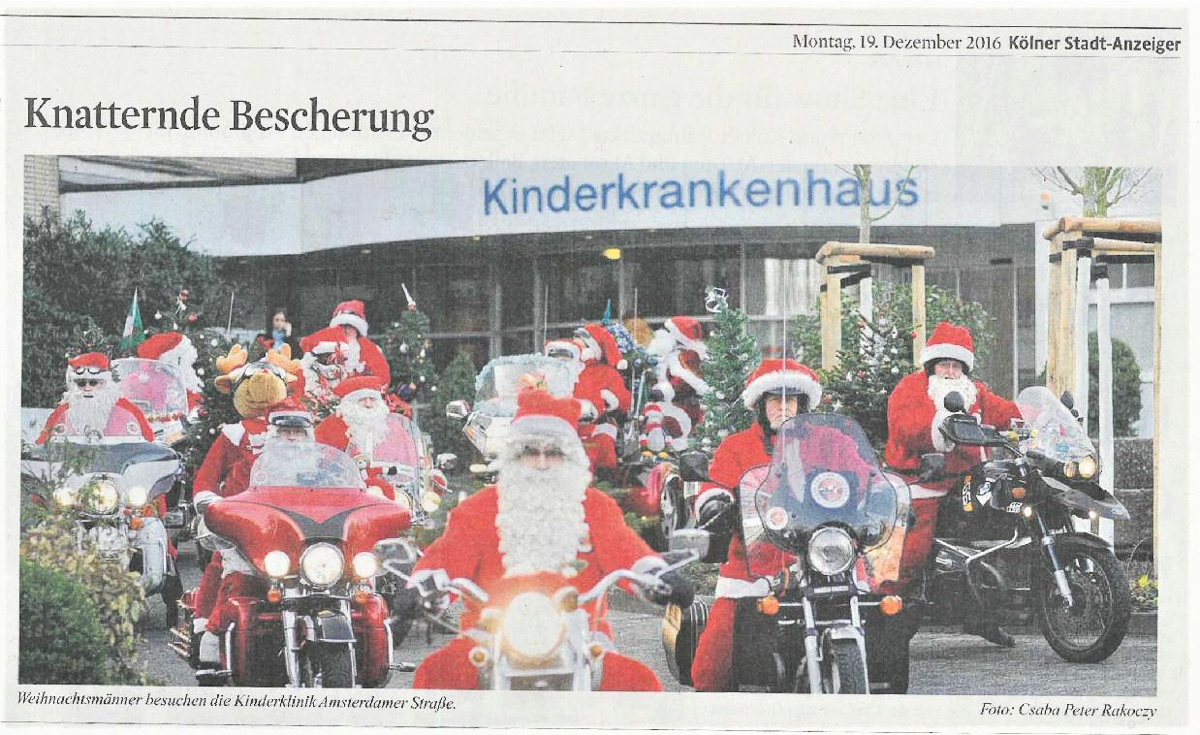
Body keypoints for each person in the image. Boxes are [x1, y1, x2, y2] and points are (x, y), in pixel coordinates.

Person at [408, 390, 693, 691]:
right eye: (531, 452)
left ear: (569, 458)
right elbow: (448, 557)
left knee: (639, 684)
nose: (542, 463)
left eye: (554, 452)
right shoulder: (478, 509)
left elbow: (627, 552)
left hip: (581, 637)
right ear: (514, 457)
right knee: (434, 677)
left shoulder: (595, 507)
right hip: (489, 636)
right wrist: (422, 588)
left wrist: (658, 577)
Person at [690, 358, 848, 692]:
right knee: (714, 657)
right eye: (775, 399)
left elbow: (857, 473)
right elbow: (714, 484)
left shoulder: (828, 442)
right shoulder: (736, 446)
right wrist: (715, 503)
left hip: (819, 558)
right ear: (761, 405)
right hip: (752, 562)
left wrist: (876, 495)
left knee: (872, 616)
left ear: (802, 405)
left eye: (792, 400)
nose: (784, 407)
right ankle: (709, 706)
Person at [885, 322, 1021, 647]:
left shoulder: (975, 392)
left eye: (956, 366)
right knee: (913, 550)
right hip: (921, 479)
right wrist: (939, 428)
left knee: (996, 533)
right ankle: (888, 612)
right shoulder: (911, 388)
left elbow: (1005, 411)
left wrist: (1036, 416)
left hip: (967, 478)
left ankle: (982, 614)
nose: (949, 371)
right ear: (932, 365)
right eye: (944, 364)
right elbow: (907, 428)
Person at [192, 399, 316, 667]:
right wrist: (223, 511)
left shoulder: (321, 468)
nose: (291, 438)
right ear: (273, 434)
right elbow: (234, 500)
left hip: (309, 550)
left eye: (297, 432)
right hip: (262, 545)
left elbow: (342, 495)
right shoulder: (253, 467)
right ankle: (214, 637)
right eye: (285, 431)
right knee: (241, 583)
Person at [37, 351, 154, 444]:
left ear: (104, 383)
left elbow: (143, 427)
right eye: (81, 383)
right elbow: (46, 434)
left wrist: (150, 442)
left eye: (93, 382)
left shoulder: (122, 405)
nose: (87, 388)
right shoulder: (66, 408)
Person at [641, 316, 710, 450]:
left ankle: (660, 444)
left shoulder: (687, 356)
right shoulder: (670, 355)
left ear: (676, 336)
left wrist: (664, 391)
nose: (661, 334)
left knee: (666, 422)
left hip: (682, 408)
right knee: (651, 415)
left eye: (667, 332)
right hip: (668, 404)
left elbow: (686, 380)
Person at [574, 324, 632, 474]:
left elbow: (624, 400)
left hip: (599, 421)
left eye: (581, 345)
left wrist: (612, 400)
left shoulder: (607, 373)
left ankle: (604, 477)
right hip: (570, 420)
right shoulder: (568, 370)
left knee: (602, 444)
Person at [136, 331, 204, 412]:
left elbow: (193, 397)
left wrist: (196, 411)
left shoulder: (185, 378)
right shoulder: (157, 379)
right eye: (180, 359)